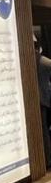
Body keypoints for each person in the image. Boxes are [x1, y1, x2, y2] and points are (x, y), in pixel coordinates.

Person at [35, 35, 51, 170]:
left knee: (43, 130)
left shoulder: (30, 60)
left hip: (38, 100)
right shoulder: (44, 61)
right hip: (44, 99)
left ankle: (46, 159)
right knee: (44, 130)